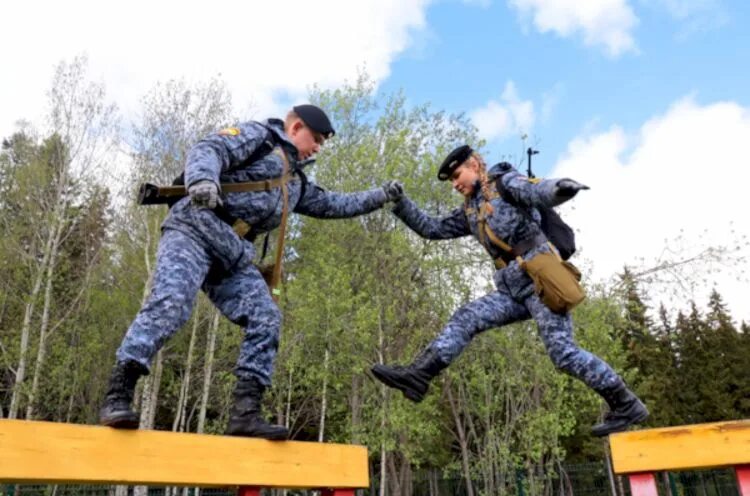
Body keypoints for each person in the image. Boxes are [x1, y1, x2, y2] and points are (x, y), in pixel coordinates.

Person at [100, 104, 402, 440]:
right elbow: (209, 147)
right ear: (296, 127)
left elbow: (334, 204)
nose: (318, 147)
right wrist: (202, 179)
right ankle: (118, 394)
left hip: (232, 253)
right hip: (195, 228)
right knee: (171, 305)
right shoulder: (259, 137)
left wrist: (382, 196)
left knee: (266, 317)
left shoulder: (296, 183)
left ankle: (245, 415)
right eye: (315, 139)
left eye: (321, 143)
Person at [371, 145, 648, 436]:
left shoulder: (504, 183)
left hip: (541, 282)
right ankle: (419, 375)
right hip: (511, 290)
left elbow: (535, 191)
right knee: (467, 317)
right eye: (451, 180)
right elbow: (432, 228)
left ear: (475, 165)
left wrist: (562, 188)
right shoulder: (470, 211)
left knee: (563, 354)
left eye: (457, 175)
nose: (455, 184)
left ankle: (626, 404)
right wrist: (400, 203)